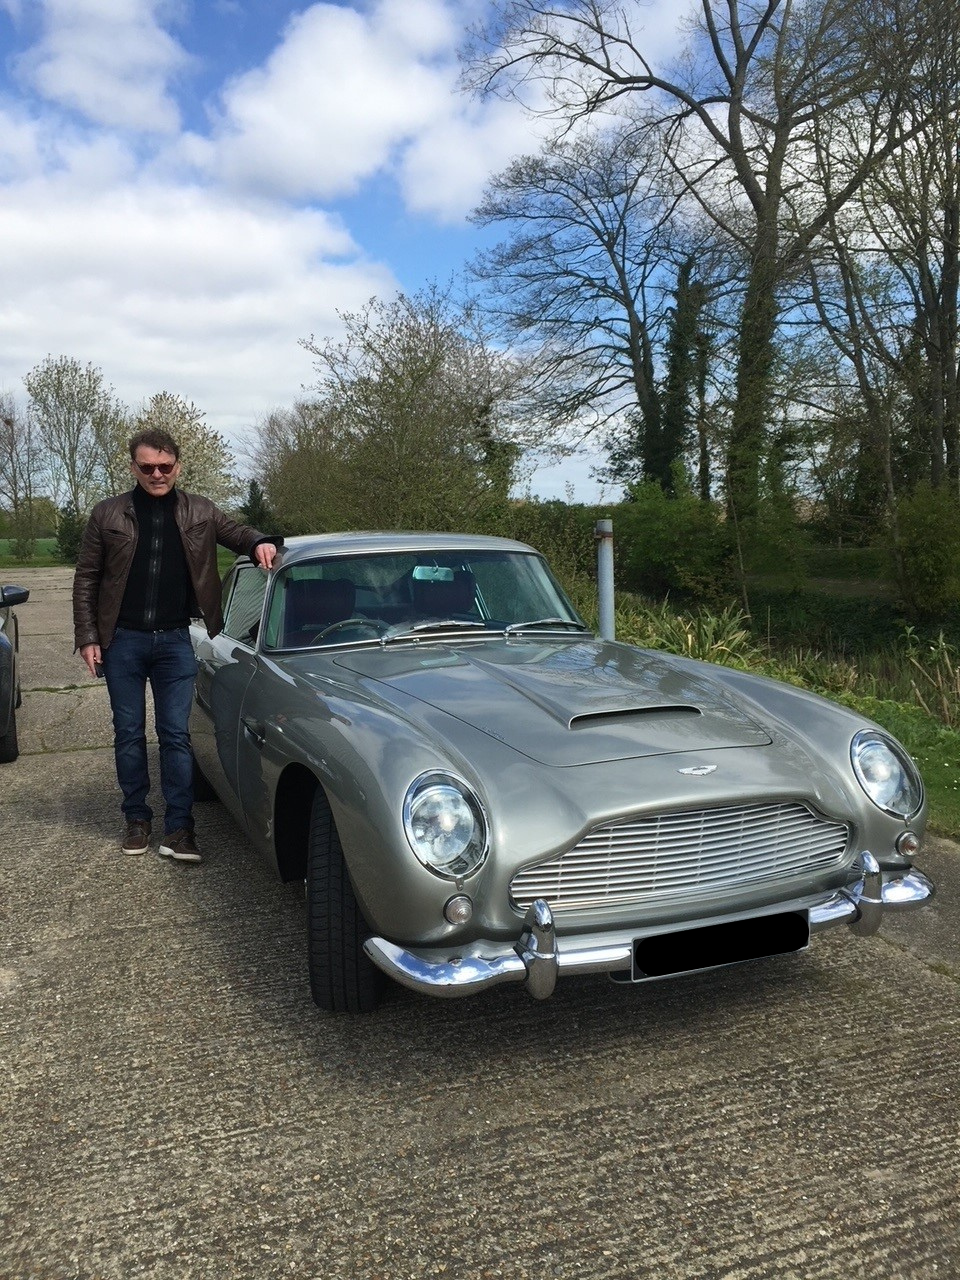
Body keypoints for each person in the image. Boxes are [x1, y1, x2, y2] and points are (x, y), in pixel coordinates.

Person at [73, 428, 280, 864]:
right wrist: (88, 637)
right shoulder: (107, 514)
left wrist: (262, 541)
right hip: (122, 641)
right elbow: (87, 577)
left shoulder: (200, 510)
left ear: (177, 466)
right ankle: (136, 819)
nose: (157, 474)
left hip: (174, 641)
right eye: (147, 466)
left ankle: (180, 829)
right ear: (134, 467)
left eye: (165, 466)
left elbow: (239, 533)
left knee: (175, 736)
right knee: (129, 733)